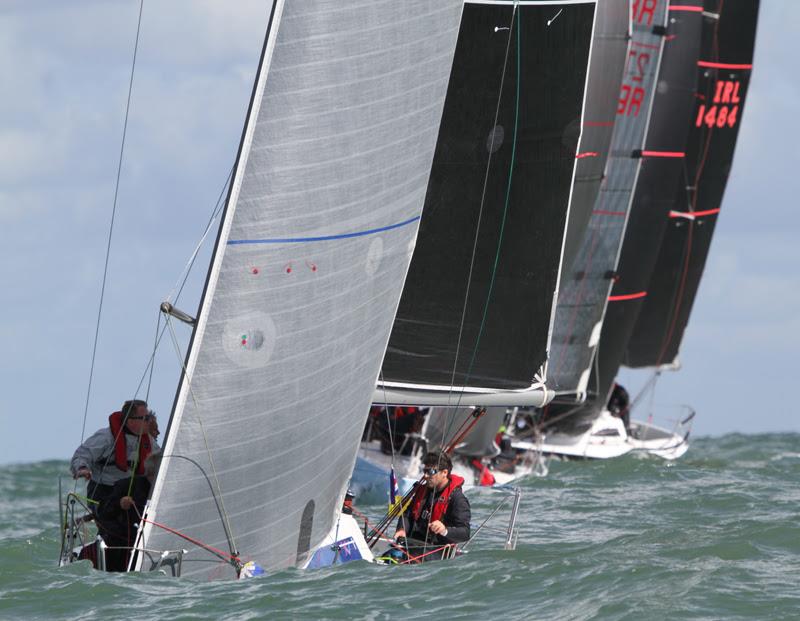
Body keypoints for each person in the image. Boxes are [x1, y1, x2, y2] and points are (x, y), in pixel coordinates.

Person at [70, 399, 159, 512]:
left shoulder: (149, 442)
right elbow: (83, 454)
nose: (149, 421)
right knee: (116, 521)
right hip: (105, 492)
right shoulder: (106, 437)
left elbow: (162, 462)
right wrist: (82, 468)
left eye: (150, 417)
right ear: (131, 421)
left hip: (132, 492)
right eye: (146, 418)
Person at [394, 451, 470, 561]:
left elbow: (465, 533)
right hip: (412, 545)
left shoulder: (457, 499)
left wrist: (444, 530)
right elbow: (407, 515)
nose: (425, 476)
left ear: (444, 472)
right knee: (392, 554)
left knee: (409, 558)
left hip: (437, 551)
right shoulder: (422, 491)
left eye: (430, 472)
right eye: (424, 471)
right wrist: (402, 529)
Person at [94, 451, 161, 571]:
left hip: (157, 544)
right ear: (150, 474)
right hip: (124, 547)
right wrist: (119, 503)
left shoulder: (170, 491)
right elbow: (102, 512)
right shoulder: (128, 485)